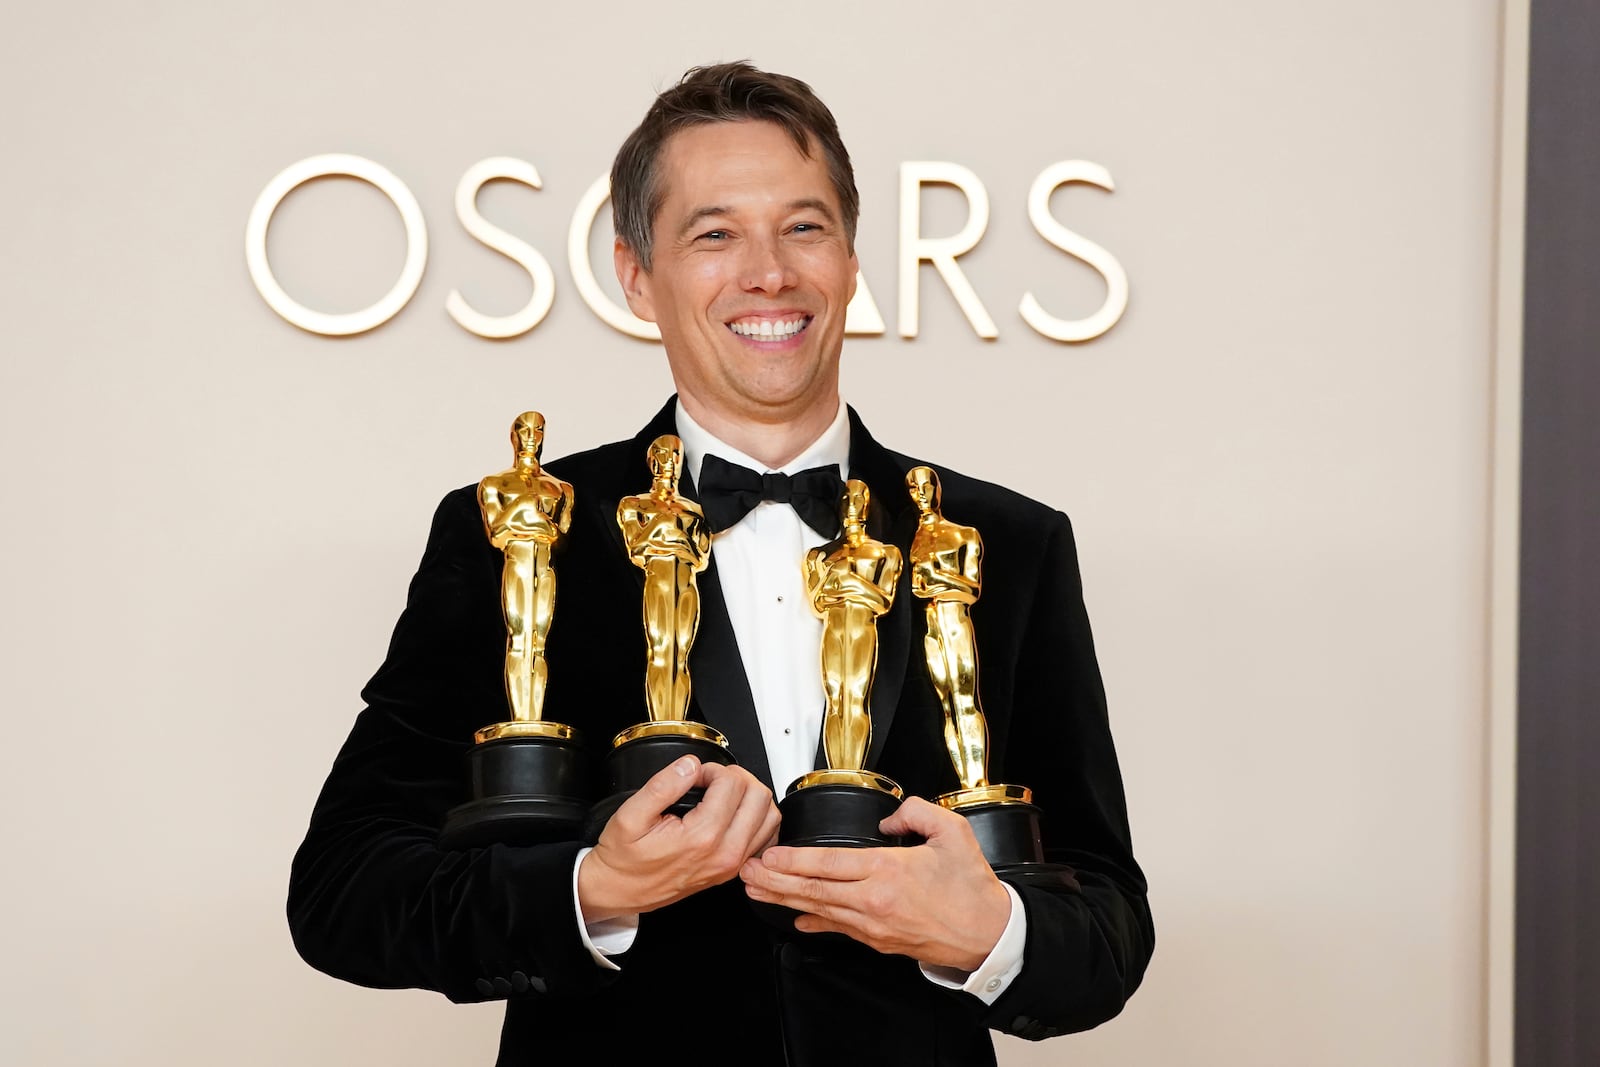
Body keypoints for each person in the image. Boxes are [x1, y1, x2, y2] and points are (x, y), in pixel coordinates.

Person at [289, 62, 1153, 1066]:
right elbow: (344, 889)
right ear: (635, 272)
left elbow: (1107, 928)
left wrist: (991, 934)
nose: (768, 272)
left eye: (803, 226)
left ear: (853, 258)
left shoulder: (1007, 540)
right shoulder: (518, 529)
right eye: (713, 233)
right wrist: (591, 889)